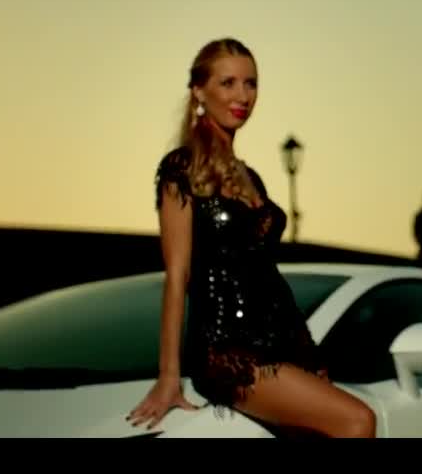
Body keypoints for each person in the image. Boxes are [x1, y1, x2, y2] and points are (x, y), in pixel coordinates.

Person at [126, 37, 377, 438]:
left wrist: (308, 354)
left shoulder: (250, 176)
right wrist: (169, 376)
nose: (242, 96)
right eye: (228, 83)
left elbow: (266, 275)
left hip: (284, 345)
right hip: (228, 353)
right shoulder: (181, 168)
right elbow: (177, 275)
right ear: (199, 91)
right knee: (358, 421)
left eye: (251, 83)